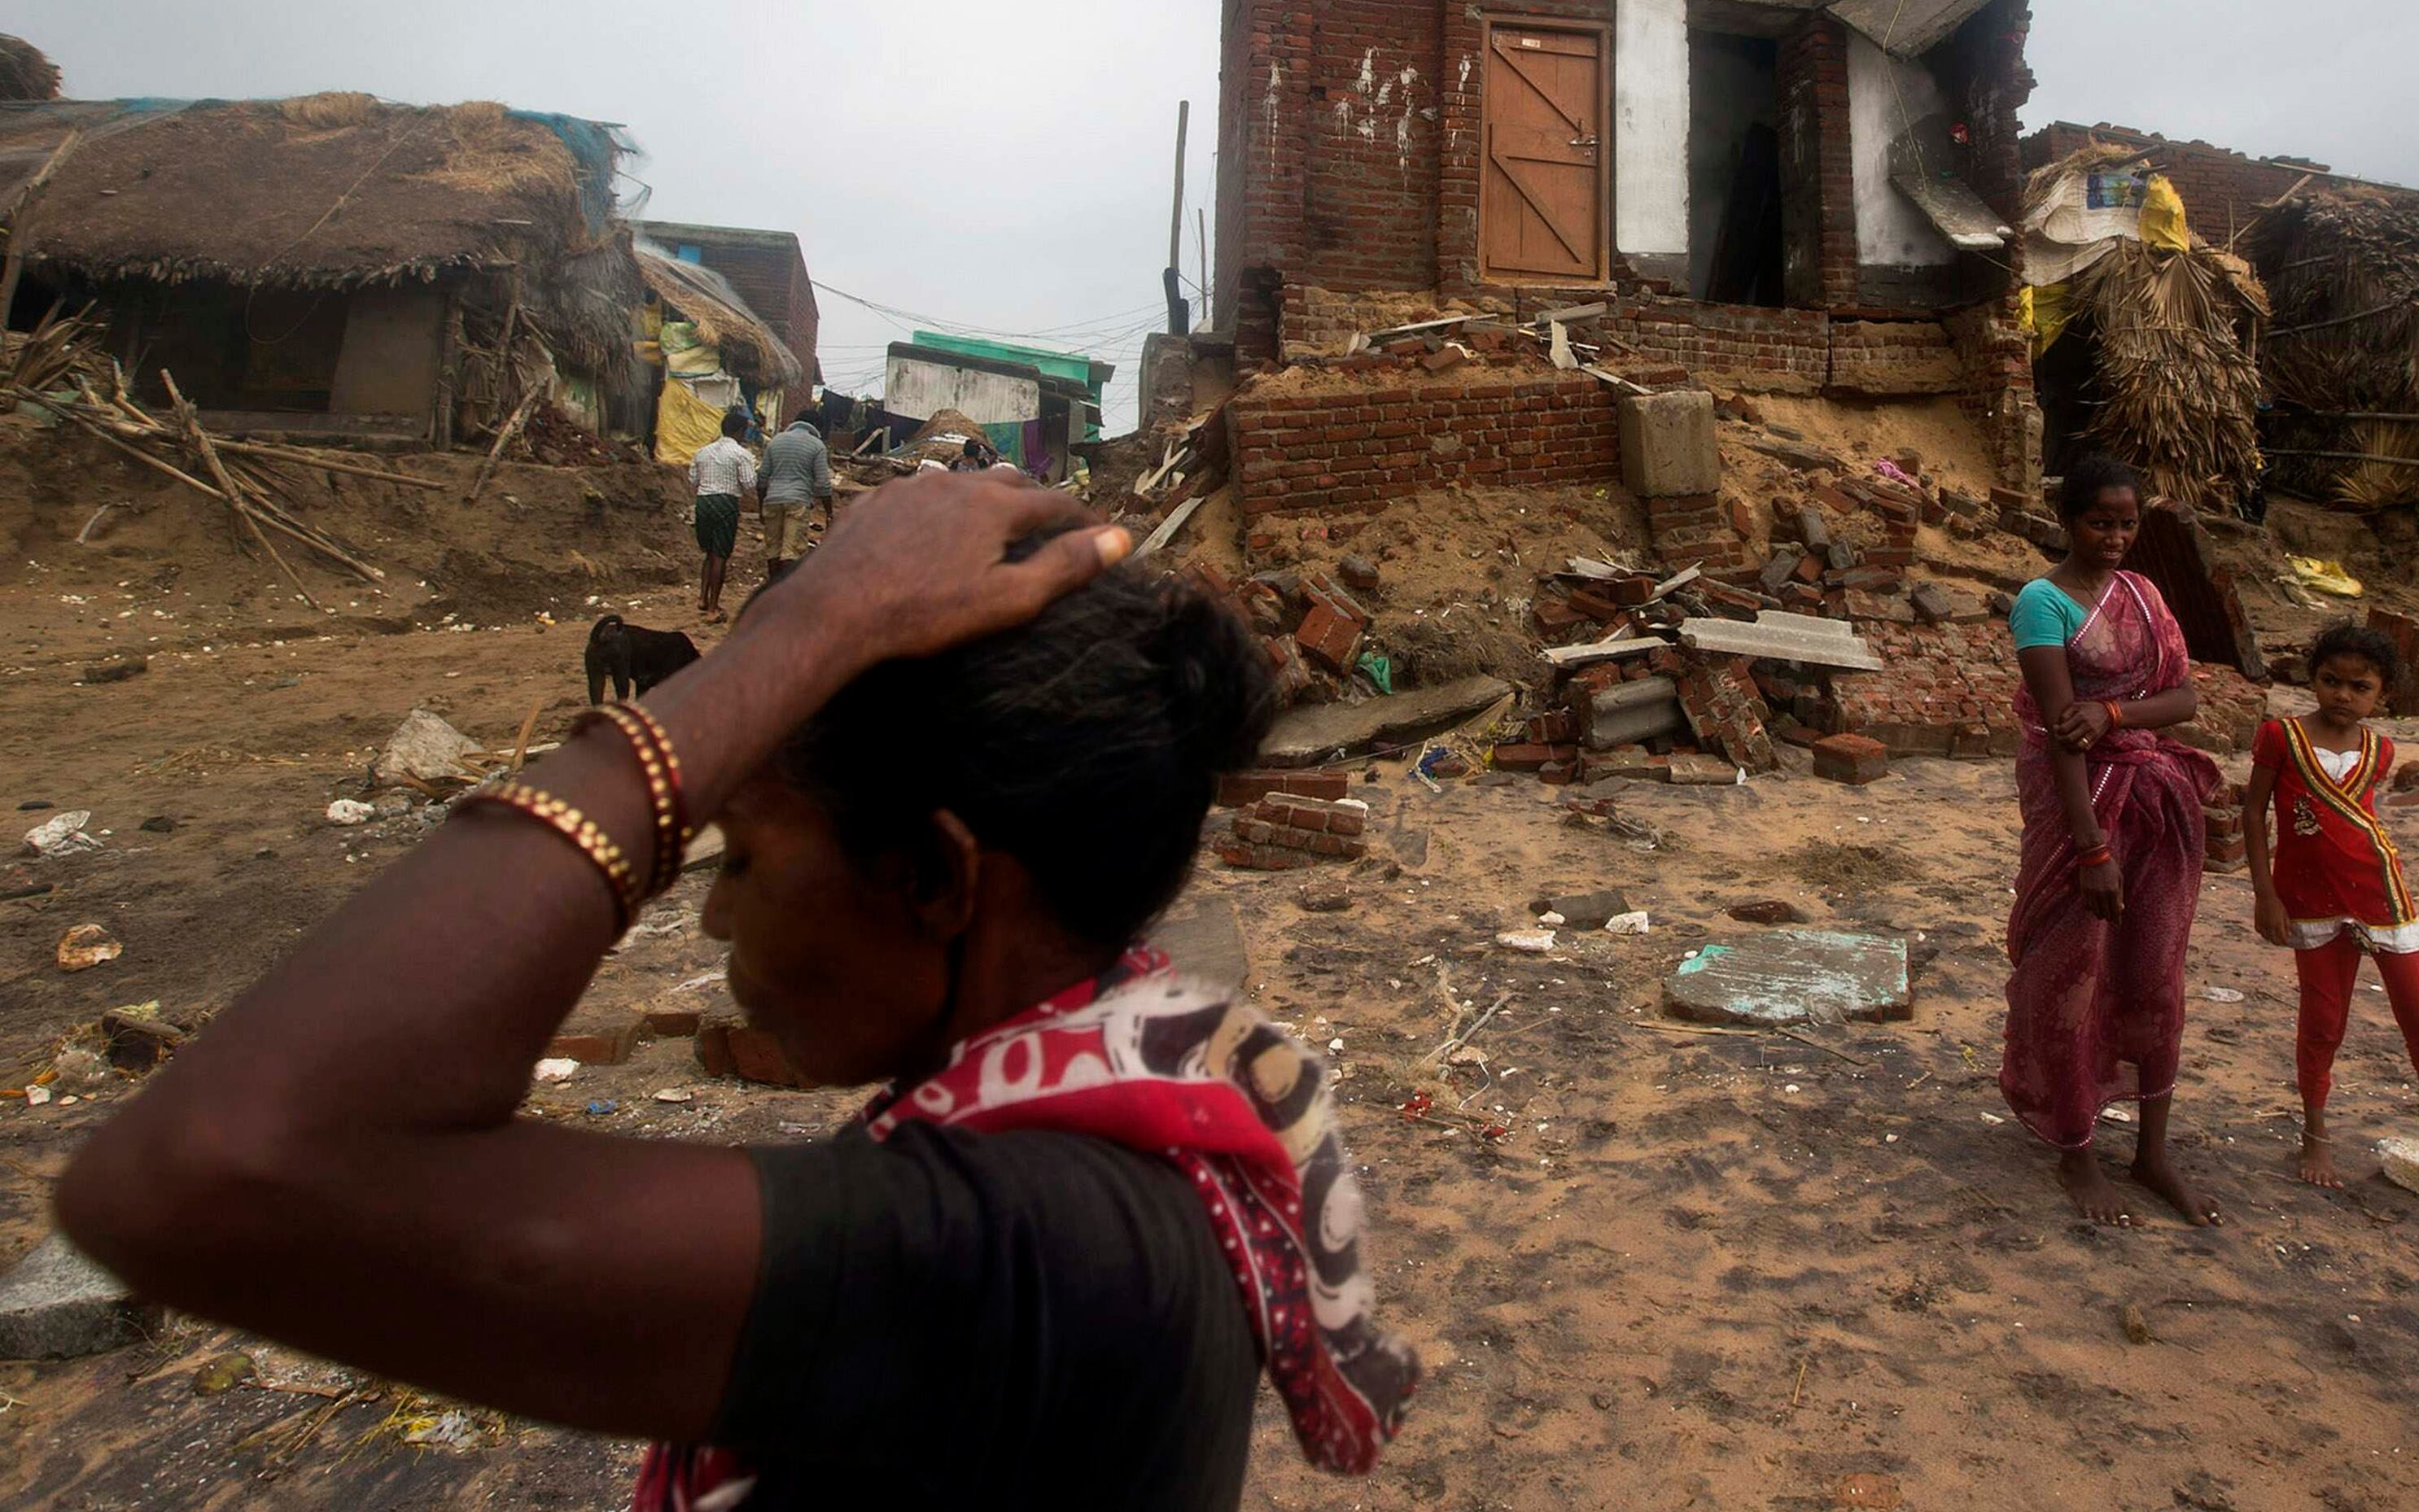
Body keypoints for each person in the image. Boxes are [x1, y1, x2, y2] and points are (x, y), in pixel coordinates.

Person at [55, 472, 1419, 1507]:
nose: (707, 907)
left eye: (746, 851)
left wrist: (797, 640)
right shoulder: (1132, 1108)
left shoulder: (1001, 1250)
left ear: (941, 878)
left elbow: (205, 1167)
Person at [2003, 451, 2223, 1226]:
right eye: (2101, 523)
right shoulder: (2042, 603)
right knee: (2072, 969)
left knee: (2153, 967)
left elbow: (2186, 698)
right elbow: (2064, 733)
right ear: (2068, 522)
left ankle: (2152, 1152)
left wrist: (2119, 716)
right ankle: (2077, 1150)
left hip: (2154, 802)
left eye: (2128, 525)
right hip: (2080, 805)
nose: (2116, 539)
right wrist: (2091, 847)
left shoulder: (2144, 593)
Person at [2237, 623, 2419, 1187]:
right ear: (2313, 678)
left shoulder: (2381, 751)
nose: (2343, 696)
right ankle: (2315, 1135)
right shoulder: (2282, 738)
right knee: (2324, 1019)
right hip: (2309, 898)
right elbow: (2255, 813)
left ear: (2382, 695)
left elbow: (2362, 823)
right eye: (2331, 682)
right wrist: (2265, 893)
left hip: (2380, 891)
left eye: (2360, 687)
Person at [687, 408, 758, 620]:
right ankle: (713, 608)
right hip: (725, 501)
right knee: (720, 556)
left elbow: (692, 480)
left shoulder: (702, 451)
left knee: (708, 552)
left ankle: (702, 598)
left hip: (703, 501)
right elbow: (749, 483)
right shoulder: (741, 454)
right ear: (738, 432)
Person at [760, 409, 837, 581]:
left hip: (772, 500)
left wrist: (761, 506)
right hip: (798, 502)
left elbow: (762, 478)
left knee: (773, 550)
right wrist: (829, 512)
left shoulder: (775, 441)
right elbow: (823, 484)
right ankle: (786, 596)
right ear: (816, 427)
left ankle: (772, 593)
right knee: (791, 552)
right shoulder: (817, 446)